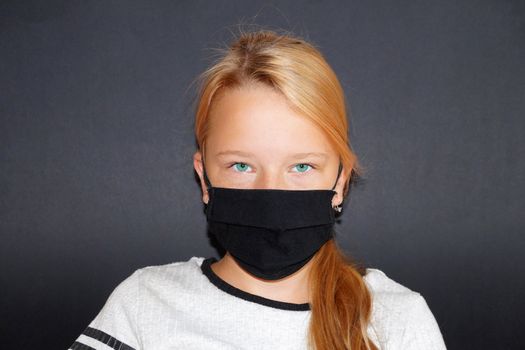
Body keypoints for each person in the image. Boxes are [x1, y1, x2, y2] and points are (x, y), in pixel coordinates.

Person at [68, 28, 447, 350]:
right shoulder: (143, 305)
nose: (270, 193)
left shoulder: (398, 322)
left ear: (340, 182)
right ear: (204, 178)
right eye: (241, 165)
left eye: (301, 166)